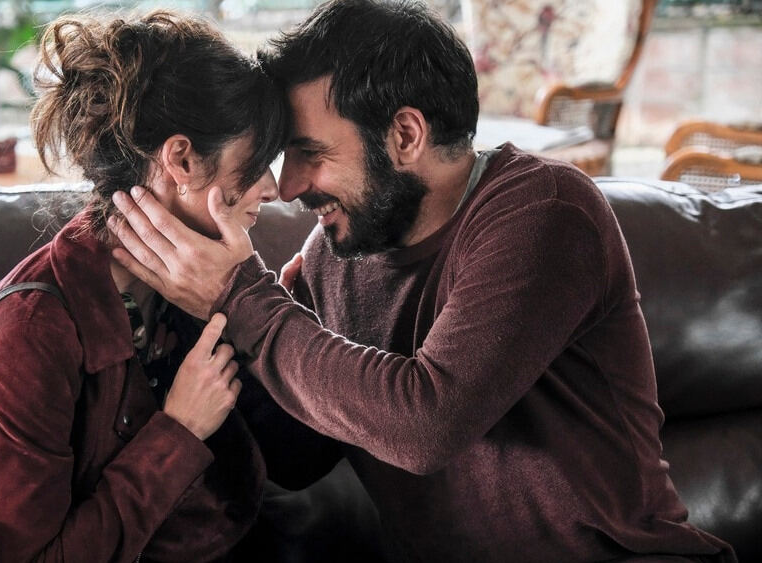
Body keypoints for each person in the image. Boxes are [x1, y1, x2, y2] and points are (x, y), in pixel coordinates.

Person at [107, 0, 738, 561]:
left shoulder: (545, 211)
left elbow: (427, 427)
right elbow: (299, 456)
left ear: (405, 135)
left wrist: (242, 298)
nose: (290, 188)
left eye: (311, 153)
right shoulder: (335, 253)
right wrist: (193, 309)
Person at [0, 10, 286, 562]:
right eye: (256, 163)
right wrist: (180, 429)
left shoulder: (200, 279)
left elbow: (293, 461)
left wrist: (264, 309)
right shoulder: (31, 332)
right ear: (182, 159)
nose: (273, 188)